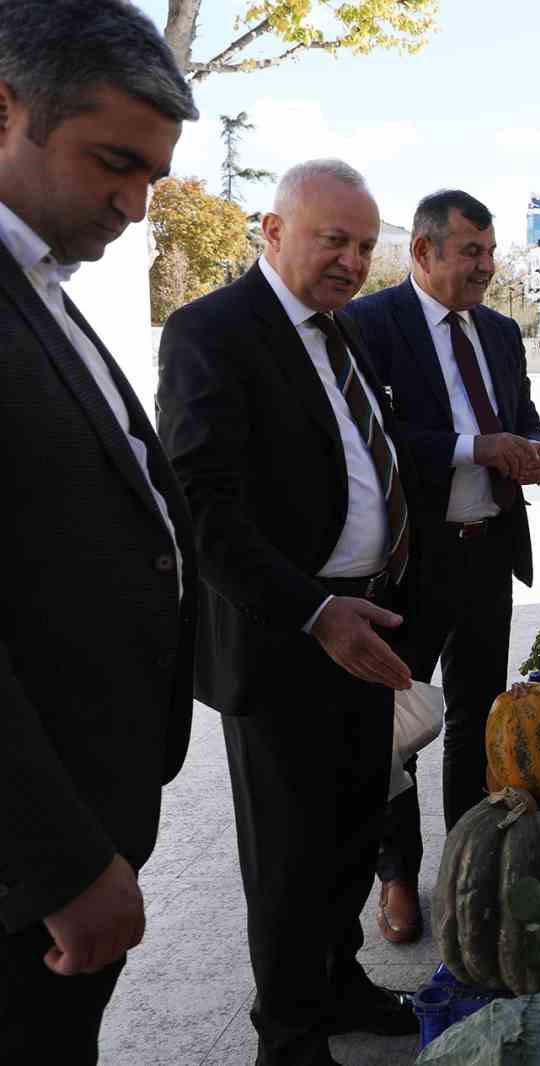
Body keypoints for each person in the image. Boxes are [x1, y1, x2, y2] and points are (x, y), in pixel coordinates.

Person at [158, 159, 418, 1066]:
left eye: (363, 244)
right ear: (272, 233)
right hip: (286, 638)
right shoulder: (212, 332)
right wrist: (315, 613)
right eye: (331, 239)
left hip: (364, 623)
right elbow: (203, 502)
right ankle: (290, 1037)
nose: (351, 260)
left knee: (353, 831)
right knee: (288, 859)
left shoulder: (343, 333)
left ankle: (337, 983)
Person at [0, 3, 198, 1060]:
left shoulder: (42, 285)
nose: (134, 203)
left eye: (153, 177)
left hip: (93, 806)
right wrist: (58, 868)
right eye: (114, 163)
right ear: (5, 106)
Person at [346, 190, 540, 944]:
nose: (486, 267)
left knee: (476, 716)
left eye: (490, 252)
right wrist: (475, 448)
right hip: (410, 561)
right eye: (470, 252)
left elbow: (520, 412)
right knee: (397, 725)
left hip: (488, 550)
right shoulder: (370, 326)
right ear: (424, 251)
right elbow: (374, 438)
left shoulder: (499, 333)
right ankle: (397, 874)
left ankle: (466, 861)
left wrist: (533, 446)